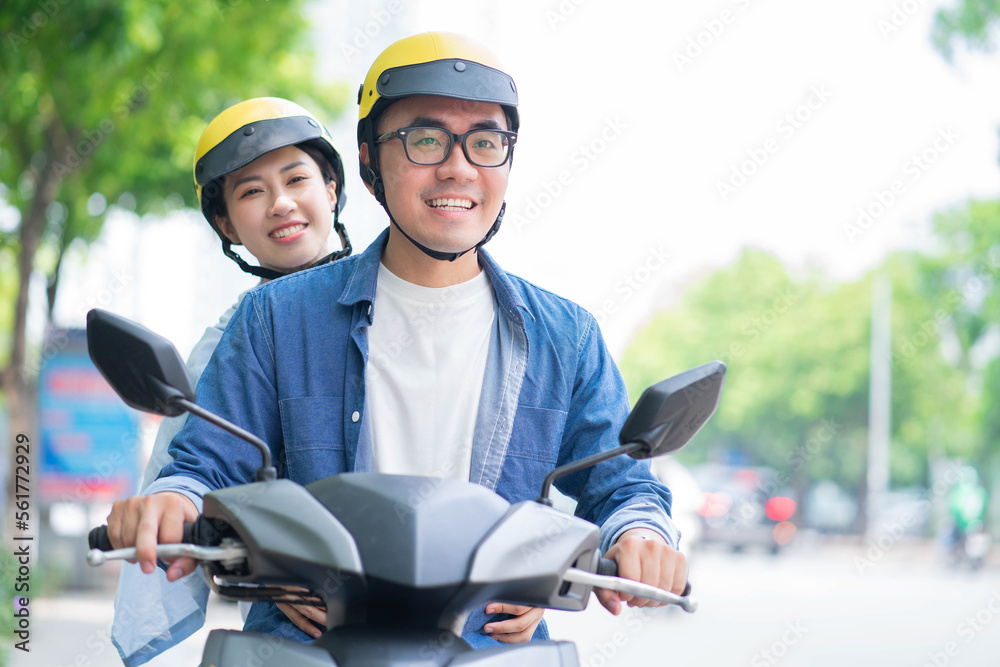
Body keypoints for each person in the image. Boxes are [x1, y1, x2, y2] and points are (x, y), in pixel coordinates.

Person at [106, 32, 687, 651]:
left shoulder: (565, 336)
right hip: (309, 647)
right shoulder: (273, 318)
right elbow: (205, 461)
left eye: (485, 142)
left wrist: (640, 534)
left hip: (490, 648)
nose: (458, 166)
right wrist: (170, 500)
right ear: (369, 160)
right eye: (425, 139)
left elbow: (624, 486)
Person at [110, 96, 350, 667]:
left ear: (332, 190)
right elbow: (199, 476)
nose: (281, 202)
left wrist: (521, 573)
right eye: (251, 191)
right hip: (297, 635)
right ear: (227, 225)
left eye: (297, 178)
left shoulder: (403, 299)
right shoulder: (228, 346)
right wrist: (257, 562)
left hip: (445, 606)